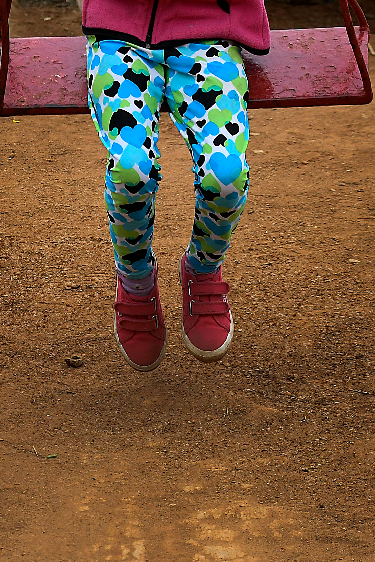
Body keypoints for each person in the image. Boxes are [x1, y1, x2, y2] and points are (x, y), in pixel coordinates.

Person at [81, 0, 269, 371]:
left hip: (208, 34)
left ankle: (202, 269)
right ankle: (136, 282)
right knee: (131, 171)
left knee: (226, 174)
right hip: (121, 37)